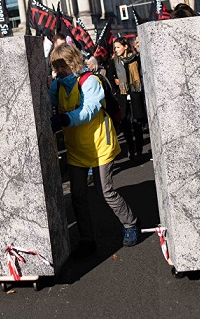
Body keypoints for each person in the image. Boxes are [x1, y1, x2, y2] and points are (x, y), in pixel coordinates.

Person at [49, 43, 139, 255]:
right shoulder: (58, 85)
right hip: (77, 148)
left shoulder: (90, 81)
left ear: (73, 63)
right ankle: (87, 239)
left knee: (105, 191)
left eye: (61, 66)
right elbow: (48, 102)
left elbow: (89, 109)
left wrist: (63, 119)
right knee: (78, 195)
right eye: (55, 67)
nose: (58, 72)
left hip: (100, 145)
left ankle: (130, 224)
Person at [108, 37, 147, 161]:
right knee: (125, 124)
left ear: (125, 46)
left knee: (137, 124)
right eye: (115, 47)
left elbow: (142, 75)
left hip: (135, 96)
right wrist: (116, 85)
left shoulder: (135, 60)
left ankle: (139, 149)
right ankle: (131, 148)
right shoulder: (114, 62)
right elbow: (109, 79)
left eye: (118, 47)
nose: (116, 49)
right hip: (122, 97)